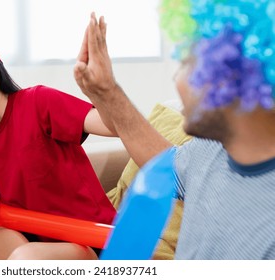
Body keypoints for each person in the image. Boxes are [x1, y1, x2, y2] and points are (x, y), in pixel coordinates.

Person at [74, 1, 275, 260]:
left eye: (185, 63)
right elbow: (163, 162)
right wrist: (106, 90)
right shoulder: (210, 149)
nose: (175, 80)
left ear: (229, 78)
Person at [0, 26, 117, 260]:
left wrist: (99, 90)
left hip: (90, 241)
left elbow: (114, 127)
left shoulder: (38, 102)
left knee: (24, 259)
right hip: (28, 239)